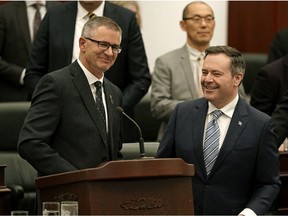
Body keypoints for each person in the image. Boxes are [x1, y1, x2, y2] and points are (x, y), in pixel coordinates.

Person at [156, 45, 281, 215]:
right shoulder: (182, 113)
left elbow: (269, 183)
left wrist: (249, 213)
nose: (207, 79)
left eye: (216, 74)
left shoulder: (260, 124)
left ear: (237, 78)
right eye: (205, 72)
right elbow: (162, 168)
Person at [24, 0, 151, 142]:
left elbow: (141, 78)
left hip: (111, 125)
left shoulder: (126, 18)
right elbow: (33, 73)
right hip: (60, 125)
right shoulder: (54, 16)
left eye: (113, 47)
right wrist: (52, 103)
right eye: (103, 45)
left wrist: (112, 107)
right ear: (82, 44)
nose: (109, 52)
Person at [150, 1, 247, 141]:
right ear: (183, 25)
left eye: (209, 19)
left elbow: (240, 99)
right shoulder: (166, 62)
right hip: (179, 135)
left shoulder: (228, 61)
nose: (204, 24)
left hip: (224, 133)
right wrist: (202, 107)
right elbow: (159, 107)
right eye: (196, 19)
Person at [0, 0, 59, 102]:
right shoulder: (4, 13)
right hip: (14, 97)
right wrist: (24, 75)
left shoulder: (62, 11)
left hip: (54, 96)